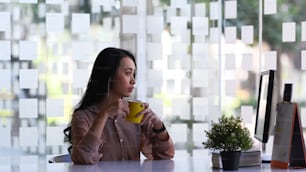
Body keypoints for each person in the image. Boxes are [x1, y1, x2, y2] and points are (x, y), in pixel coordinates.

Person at [64, 47, 175, 164]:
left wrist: (159, 126)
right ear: (109, 75)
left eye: (133, 74)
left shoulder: (135, 112)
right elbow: (84, 159)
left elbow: (166, 155)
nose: (133, 81)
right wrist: (104, 115)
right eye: (128, 73)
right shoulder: (82, 117)